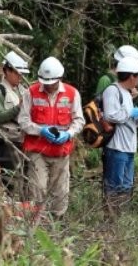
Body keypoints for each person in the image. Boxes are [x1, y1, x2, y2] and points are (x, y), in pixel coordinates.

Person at [18, 56, 85, 217]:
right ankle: (36, 222)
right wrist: (40, 130)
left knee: (60, 191)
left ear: (60, 78)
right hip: (38, 151)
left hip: (61, 151)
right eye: (45, 83)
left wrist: (68, 133)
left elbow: (79, 120)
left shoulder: (72, 93)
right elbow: (23, 120)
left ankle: (57, 221)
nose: (48, 87)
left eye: (51, 83)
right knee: (37, 188)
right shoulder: (31, 93)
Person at [101, 56, 138, 217]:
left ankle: (121, 218)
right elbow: (111, 116)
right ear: (130, 76)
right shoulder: (112, 91)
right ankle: (111, 218)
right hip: (116, 146)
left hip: (129, 146)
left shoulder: (127, 94)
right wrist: (130, 112)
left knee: (127, 185)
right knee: (114, 184)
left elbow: (127, 120)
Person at [0, 51, 29, 190]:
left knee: (24, 177)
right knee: (9, 179)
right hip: (5, 141)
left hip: (21, 139)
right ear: (7, 71)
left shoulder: (22, 90)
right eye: (17, 73)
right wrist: (18, 107)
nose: (20, 76)